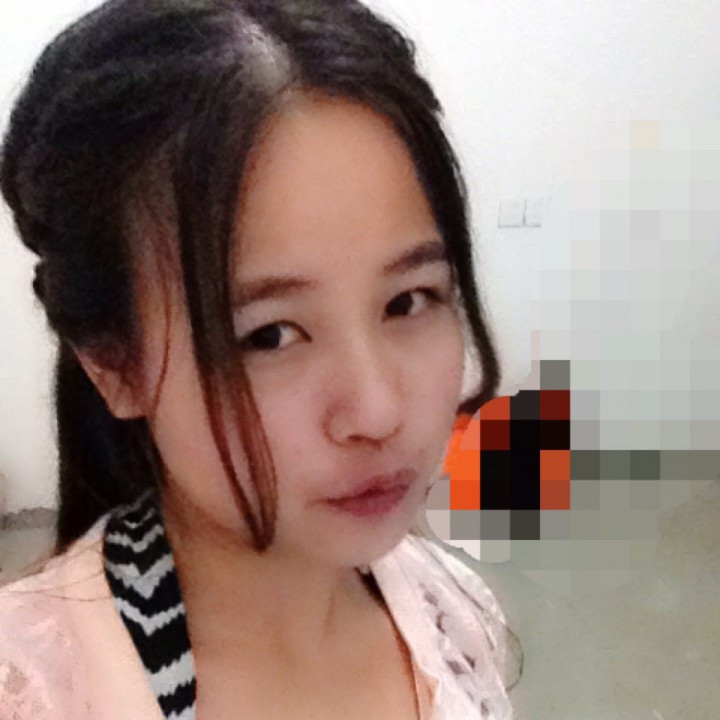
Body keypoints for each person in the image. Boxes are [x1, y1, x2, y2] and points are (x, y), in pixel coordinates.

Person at [0, 1, 519, 717]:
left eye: (409, 301)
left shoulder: (448, 615)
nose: (377, 411)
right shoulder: (38, 691)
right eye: (269, 336)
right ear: (112, 365)